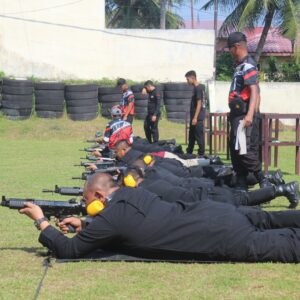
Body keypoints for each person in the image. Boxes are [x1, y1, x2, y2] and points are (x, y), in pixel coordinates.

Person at [20, 173, 300, 262]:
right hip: (214, 213)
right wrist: (87, 223)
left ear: (100, 196)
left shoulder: (112, 219)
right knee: (272, 219)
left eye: (86, 200)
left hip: (218, 236)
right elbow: (134, 222)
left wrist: (41, 221)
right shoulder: (134, 193)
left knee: (286, 244)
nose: (84, 205)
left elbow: (69, 250)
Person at [122, 167, 299, 208]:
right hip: (203, 192)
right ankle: (276, 186)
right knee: (241, 198)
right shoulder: (152, 182)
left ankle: (283, 190)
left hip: (204, 195)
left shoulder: (147, 189)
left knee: (242, 199)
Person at [227, 32, 267, 190]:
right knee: (235, 150)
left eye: (229, 48)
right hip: (237, 115)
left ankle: (263, 180)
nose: (229, 52)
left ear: (236, 47)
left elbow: (255, 90)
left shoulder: (248, 65)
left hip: (244, 115)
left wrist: (250, 114)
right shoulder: (239, 66)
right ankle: (241, 183)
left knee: (244, 150)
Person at [185, 70, 206, 157]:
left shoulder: (198, 88)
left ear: (192, 78)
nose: (187, 81)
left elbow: (199, 103)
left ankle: (201, 154)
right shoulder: (200, 87)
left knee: (198, 136)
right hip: (195, 116)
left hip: (197, 117)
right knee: (192, 136)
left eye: (187, 79)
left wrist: (195, 117)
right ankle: (189, 152)